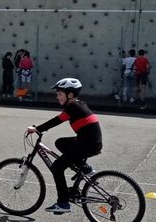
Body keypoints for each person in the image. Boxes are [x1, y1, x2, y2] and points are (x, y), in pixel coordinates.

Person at [26, 77, 102, 214]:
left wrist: (37, 129)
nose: (57, 97)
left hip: (86, 144)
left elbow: (56, 120)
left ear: (70, 95)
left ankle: (63, 203)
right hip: (89, 142)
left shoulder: (72, 106)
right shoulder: (78, 104)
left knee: (56, 167)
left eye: (60, 94)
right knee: (60, 142)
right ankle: (84, 168)